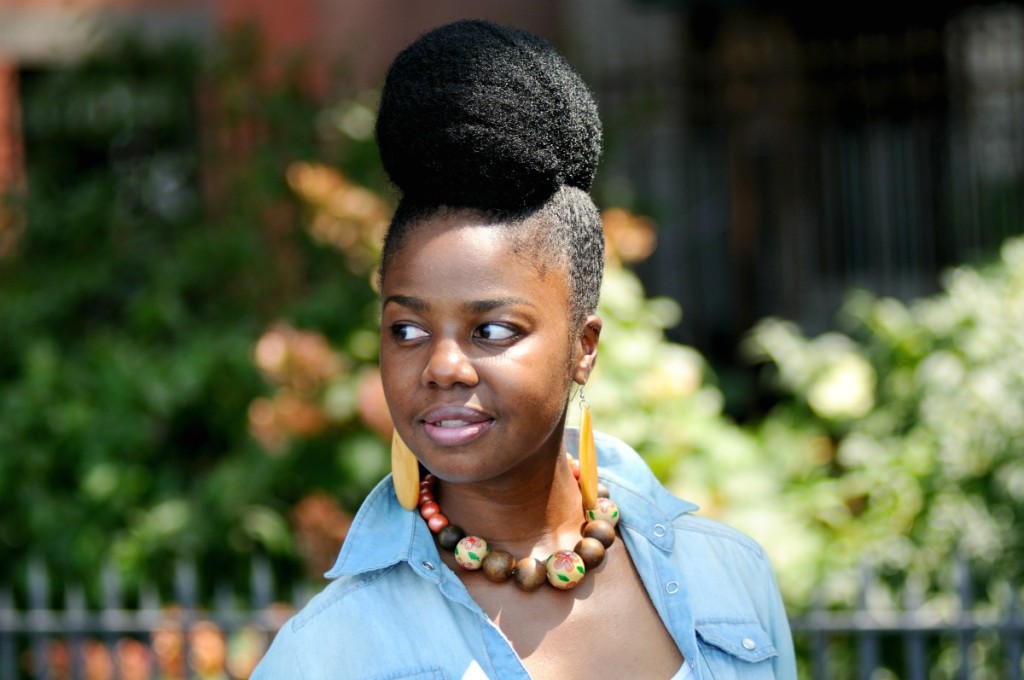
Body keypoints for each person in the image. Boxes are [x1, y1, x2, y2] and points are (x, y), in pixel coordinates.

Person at [253, 19, 795, 679]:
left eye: (492, 331)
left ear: (583, 348)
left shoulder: (730, 582)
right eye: (408, 330)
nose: (442, 366)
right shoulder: (330, 654)